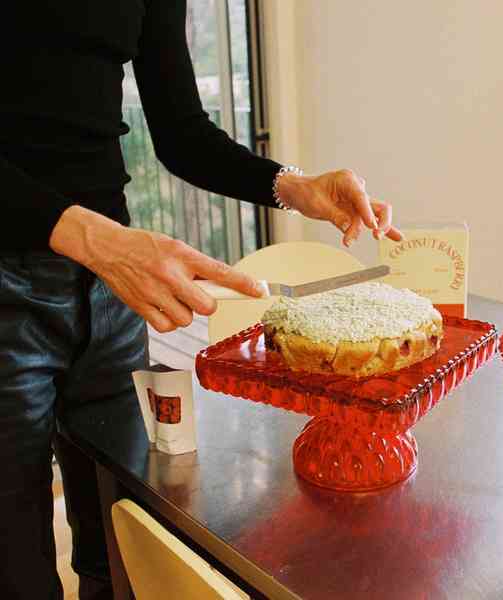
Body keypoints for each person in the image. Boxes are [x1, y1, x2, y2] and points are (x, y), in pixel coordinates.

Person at [1, 3, 401, 599]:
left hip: (112, 292)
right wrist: (95, 238)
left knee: (119, 548)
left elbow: (182, 132)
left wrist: (294, 186)